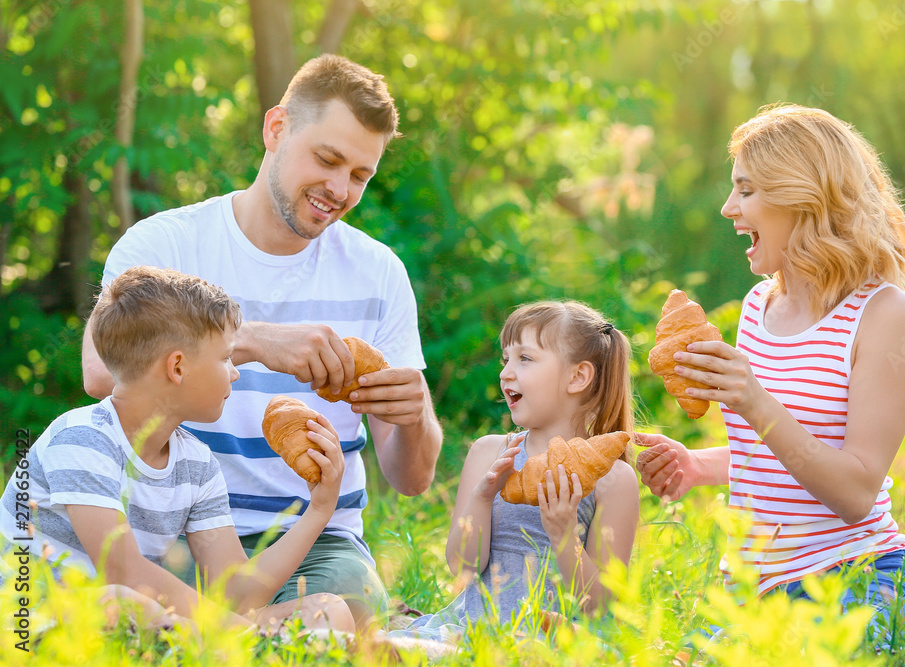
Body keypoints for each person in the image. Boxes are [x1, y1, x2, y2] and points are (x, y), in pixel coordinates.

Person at [79, 54, 443, 626]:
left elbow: (413, 479)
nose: (339, 189)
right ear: (276, 129)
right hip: (168, 527)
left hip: (315, 546)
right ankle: (244, 636)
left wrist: (416, 417)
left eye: (360, 176)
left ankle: (205, 636)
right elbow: (101, 372)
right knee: (106, 611)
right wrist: (246, 340)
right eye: (327, 159)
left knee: (345, 614)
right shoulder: (166, 244)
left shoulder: (379, 273)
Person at [636, 104, 905, 650]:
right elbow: (781, 455)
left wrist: (752, 399)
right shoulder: (759, 305)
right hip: (754, 592)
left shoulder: (887, 315)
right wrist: (695, 465)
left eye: (746, 190)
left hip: (855, 580)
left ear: (804, 198)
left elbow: (854, 491)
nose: (729, 208)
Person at [1, 266, 353, 634]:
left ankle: (250, 647)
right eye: (224, 358)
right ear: (178, 367)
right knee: (123, 602)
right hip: (32, 626)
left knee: (329, 611)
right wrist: (240, 631)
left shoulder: (196, 464)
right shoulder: (81, 438)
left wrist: (320, 508)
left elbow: (235, 594)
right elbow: (123, 570)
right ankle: (255, 647)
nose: (234, 372)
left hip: (146, 627)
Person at [389, 301, 640, 641]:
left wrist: (564, 534)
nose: (505, 373)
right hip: (472, 627)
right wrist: (482, 497)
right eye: (505, 359)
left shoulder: (614, 479)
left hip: (554, 639)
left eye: (524, 358)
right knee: (391, 649)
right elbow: (462, 568)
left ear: (577, 376)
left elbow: (599, 607)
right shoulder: (489, 452)